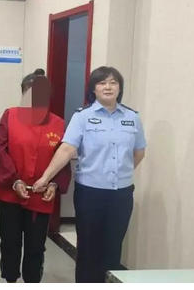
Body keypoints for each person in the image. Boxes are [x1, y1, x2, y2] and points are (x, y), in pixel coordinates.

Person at [34, 66, 147, 283]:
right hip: (90, 194)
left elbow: (139, 152)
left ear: (120, 88)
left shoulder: (132, 117)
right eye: (102, 83)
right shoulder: (83, 117)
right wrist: (46, 177)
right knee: (88, 249)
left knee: (113, 248)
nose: (108, 87)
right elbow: (67, 149)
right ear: (93, 89)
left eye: (113, 82)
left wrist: (119, 172)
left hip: (121, 195)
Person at [0, 69, 72, 283]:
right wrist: (14, 180)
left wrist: (54, 184)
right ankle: (10, 279)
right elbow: (0, 150)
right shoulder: (10, 116)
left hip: (41, 195)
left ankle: (32, 280)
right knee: (10, 241)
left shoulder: (58, 123)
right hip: (11, 192)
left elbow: (63, 157)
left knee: (36, 245)